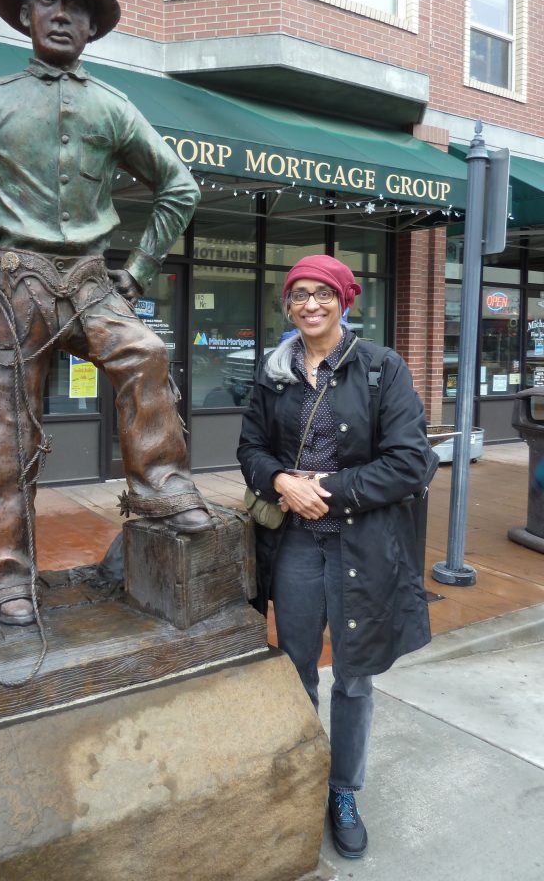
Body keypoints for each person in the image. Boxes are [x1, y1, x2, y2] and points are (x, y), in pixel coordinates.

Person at [0, 0, 212, 628]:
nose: (61, 15)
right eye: (46, 1)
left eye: (76, 7)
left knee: (145, 353)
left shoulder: (114, 109)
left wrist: (142, 267)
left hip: (90, 281)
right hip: (12, 285)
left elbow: (179, 187)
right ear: (26, 15)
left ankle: (161, 486)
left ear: (92, 28)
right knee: (3, 435)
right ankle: (4, 580)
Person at [237, 254, 434, 859]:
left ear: (344, 300)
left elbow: (410, 461)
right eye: (299, 296)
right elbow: (249, 449)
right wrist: (279, 482)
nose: (310, 305)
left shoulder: (381, 368)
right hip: (295, 544)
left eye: (323, 293)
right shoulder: (274, 371)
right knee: (295, 666)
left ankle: (343, 790)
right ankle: (303, 774)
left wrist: (324, 490)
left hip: (364, 546)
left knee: (353, 676)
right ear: (288, 306)